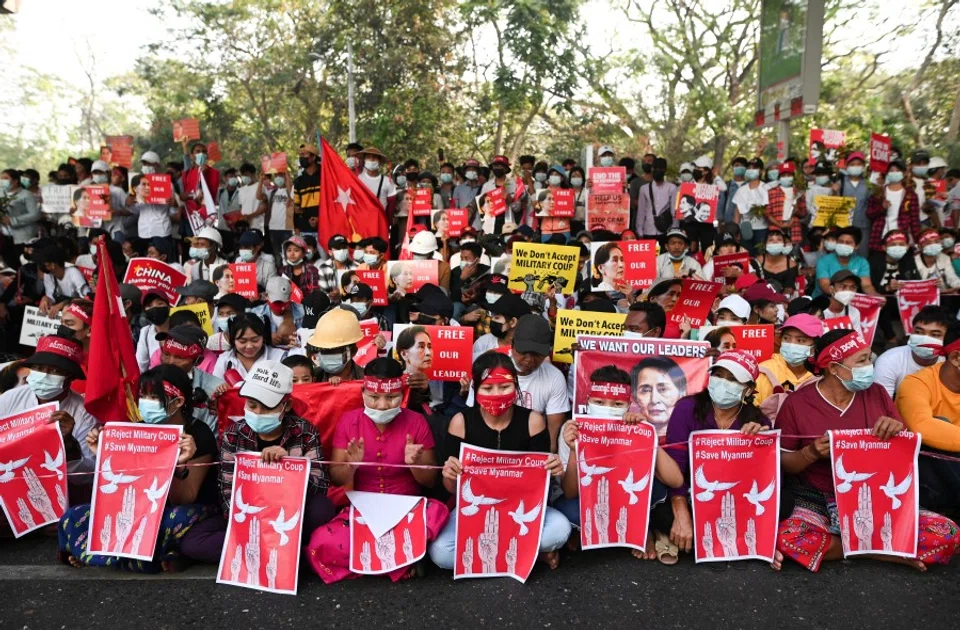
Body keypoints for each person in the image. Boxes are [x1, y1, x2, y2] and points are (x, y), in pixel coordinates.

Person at [777, 329, 959, 572]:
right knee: (788, 538)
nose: (869, 365)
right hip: (820, 498)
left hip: (878, 495)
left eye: (869, 358)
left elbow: (903, 456)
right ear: (834, 368)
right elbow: (783, 462)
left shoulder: (877, 394)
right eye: (861, 361)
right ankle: (880, 551)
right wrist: (811, 453)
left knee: (947, 534)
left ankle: (852, 547)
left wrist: (896, 432)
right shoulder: (797, 404)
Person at [58, 365, 218, 572]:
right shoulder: (136, 429)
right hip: (137, 508)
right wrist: (103, 453)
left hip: (183, 510)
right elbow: (117, 489)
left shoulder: (197, 434)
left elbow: (184, 497)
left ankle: (107, 554)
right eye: (143, 395)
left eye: (154, 398)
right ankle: (147, 554)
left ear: (178, 402)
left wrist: (178, 464)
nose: (146, 403)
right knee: (75, 515)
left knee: (173, 520)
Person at [306, 358, 450, 582]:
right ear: (363, 392)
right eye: (374, 397)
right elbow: (336, 478)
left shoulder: (416, 422)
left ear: (402, 394)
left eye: (391, 398)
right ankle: (400, 560)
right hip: (364, 510)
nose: (382, 405)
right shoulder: (349, 421)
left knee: (435, 516)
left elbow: (431, 481)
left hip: (407, 510)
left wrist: (414, 465)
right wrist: (351, 466)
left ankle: (374, 560)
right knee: (321, 543)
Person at [180, 361, 336, 564]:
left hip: (289, 518)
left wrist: (289, 464)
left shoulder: (305, 432)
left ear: (286, 405)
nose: (258, 413)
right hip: (249, 514)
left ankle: (256, 549)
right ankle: (280, 551)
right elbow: (227, 490)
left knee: (322, 509)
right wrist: (251, 523)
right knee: (193, 542)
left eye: (267, 407)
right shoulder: (233, 435)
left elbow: (320, 485)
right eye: (252, 406)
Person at [429, 353, 571, 570]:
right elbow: (452, 490)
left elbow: (540, 484)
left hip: (520, 508)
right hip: (475, 512)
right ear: (476, 390)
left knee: (560, 529)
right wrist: (450, 475)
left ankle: (499, 553)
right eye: (487, 388)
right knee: (440, 552)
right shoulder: (460, 423)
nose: (496, 394)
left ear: (516, 387)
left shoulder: (533, 421)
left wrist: (553, 469)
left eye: (504, 387)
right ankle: (526, 553)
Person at [661, 350, 783, 563]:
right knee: (657, 505)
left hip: (736, 498)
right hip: (692, 493)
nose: (722, 383)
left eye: (732, 379)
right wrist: (681, 511)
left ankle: (703, 537)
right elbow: (676, 466)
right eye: (718, 375)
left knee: (786, 501)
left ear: (749, 389)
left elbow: (764, 480)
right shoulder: (687, 408)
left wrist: (760, 446)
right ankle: (732, 537)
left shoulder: (758, 421)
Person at [556, 364, 685, 562]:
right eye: (599, 401)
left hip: (628, 495)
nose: (607, 409)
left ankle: (643, 530)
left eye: (617, 404)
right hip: (592, 496)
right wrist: (575, 450)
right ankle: (590, 531)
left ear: (629, 404)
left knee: (656, 489)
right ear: (588, 400)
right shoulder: (572, 428)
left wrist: (647, 434)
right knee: (570, 513)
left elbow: (675, 481)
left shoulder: (637, 426)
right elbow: (571, 492)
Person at [0, 332, 97, 501]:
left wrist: (69, 444)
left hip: (55, 495)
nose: (43, 375)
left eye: (53, 370)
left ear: (70, 377)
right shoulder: (11, 398)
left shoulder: (85, 415)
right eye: (38, 368)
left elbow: (88, 475)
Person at [897, 324, 960, 512]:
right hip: (920, 475)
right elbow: (922, 426)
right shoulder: (916, 383)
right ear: (956, 358)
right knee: (939, 424)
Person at [875, 305, 949, 398]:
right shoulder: (889, 360)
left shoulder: (952, 362)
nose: (924, 339)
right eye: (918, 332)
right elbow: (882, 406)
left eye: (934, 334)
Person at [754, 313, 820, 405]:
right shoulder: (762, 372)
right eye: (786, 338)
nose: (792, 344)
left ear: (815, 346)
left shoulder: (823, 376)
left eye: (800, 340)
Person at [212, 313, 287, 381]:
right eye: (242, 341)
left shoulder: (279, 357)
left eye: (255, 340)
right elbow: (215, 389)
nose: (249, 346)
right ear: (233, 339)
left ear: (263, 337)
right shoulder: (224, 360)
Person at [866, 160, 921, 253]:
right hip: (880, 238)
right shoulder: (878, 193)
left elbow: (914, 221)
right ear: (886, 173)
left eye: (898, 171)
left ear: (904, 173)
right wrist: (881, 208)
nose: (894, 173)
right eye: (891, 170)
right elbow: (869, 214)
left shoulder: (911, 195)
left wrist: (917, 241)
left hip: (901, 239)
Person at [630, 356, 687, 436]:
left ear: (682, 393)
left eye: (663, 389)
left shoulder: (690, 437)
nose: (654, 400)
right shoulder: (628, 435)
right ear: (635, 397)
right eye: (645, 390)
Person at [305, 308, 365, 384]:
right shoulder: (312, 379)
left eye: (335, 350)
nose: (329, 354)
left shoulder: (365, 380)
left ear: (353, 351)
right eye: (324, 350)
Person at [814, 227, 876, 297]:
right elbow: (825, 285)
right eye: (840, 242)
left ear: (857, 246)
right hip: (824, 300)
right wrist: (840, 295)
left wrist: (875, 296)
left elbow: (866, 285)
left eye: (848, 243)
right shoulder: (824, 261)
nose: (843, 245)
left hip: (850, 301)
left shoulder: (862, 262)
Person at [472, 292, 528, 360]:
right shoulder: (483, 342)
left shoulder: (526, 351)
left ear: (512, 322)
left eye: (497, 317)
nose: (492, 319)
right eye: (492, 316)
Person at [732, 158, 770, 255]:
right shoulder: (741, 190)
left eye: (755, 168)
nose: (751, 170)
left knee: (761, 255)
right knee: (746, 255)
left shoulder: (766, 188)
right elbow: (737, 212)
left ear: (761, 171)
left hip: (762, 228)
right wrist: (735, 231)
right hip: (745, 229)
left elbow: (768, 210)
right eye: (749, 168)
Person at [317, 234, 357, 303]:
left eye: (344, 247)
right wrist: (331, 296)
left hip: (353, 308)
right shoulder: (324, 268)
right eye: (338, 248)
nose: (342, 250)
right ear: (330, 252)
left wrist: (343, 294)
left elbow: (360, 293)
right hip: (332, 309)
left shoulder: (356, 267)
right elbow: (322, 294)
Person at [292, 143, 321, 236]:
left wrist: (320, 218)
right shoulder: (298, 181)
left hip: (325, 227)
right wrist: (296, 227)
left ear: (313, 157)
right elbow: (297, 208)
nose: (301, 158)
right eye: (300, 155)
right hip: (305, 229)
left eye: (304, 154)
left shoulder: (325, 177)